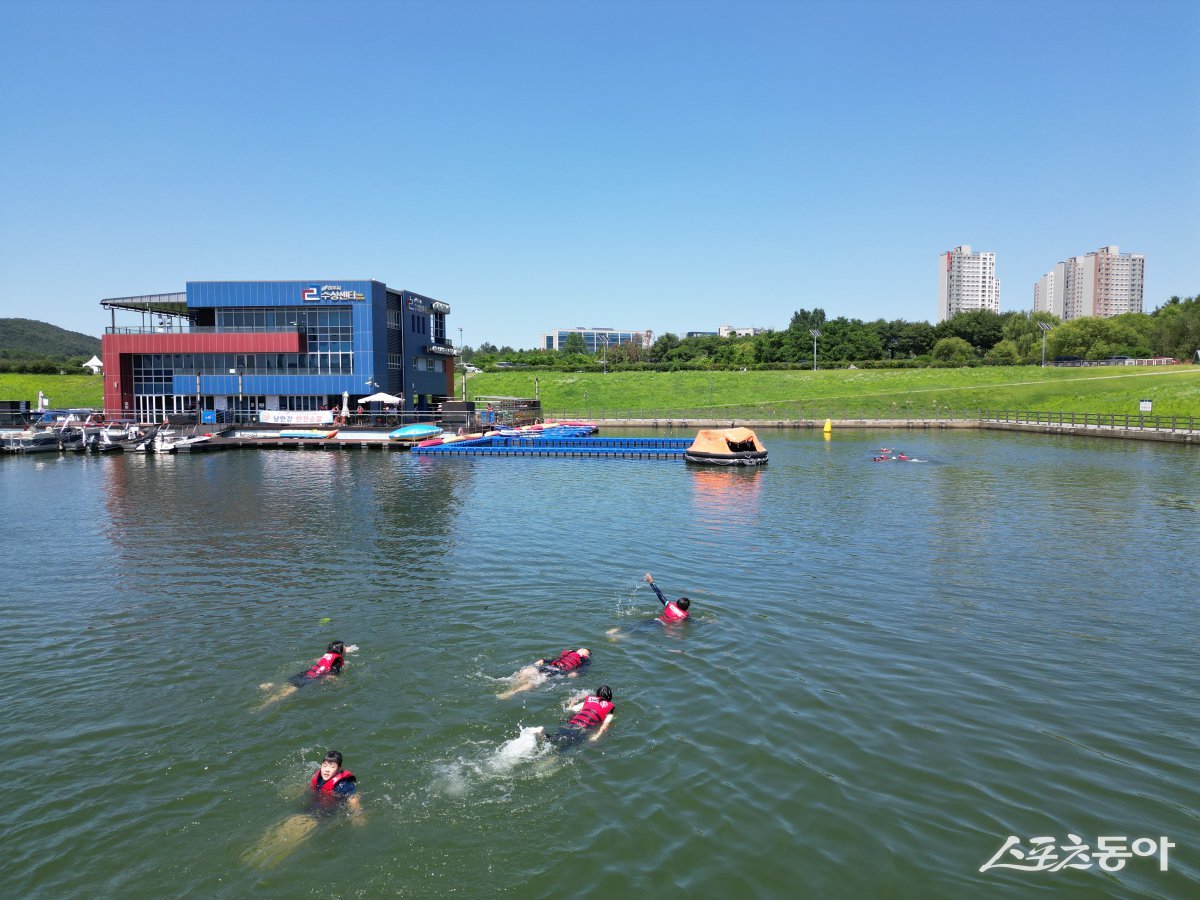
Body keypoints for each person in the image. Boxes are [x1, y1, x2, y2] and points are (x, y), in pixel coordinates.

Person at [257, 641, 346, 709]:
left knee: (288, 685)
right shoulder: (337, 661)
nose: (346, 649)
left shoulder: (328, 655)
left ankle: (271, 685)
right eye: (344, 647)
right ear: (340, 651)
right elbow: (331, 675)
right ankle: (264, 705)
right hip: (310, 677)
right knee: (287, 693)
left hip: (306, 673)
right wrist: (341, 684)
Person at [537, 685, 615, 748]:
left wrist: (572, 703)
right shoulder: (609, 710)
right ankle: (554, 753)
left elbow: (570, 710)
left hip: (572, 722)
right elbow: (605, 725)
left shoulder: (588, 701)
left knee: (557, 737)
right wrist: (596, 736)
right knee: (569, 745)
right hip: (583, 727)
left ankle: (542, 735)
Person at [497, 648, 591, 699]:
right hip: (553, 669)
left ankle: (513, 689)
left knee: (531, 676)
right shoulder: (578, 657)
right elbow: (558, 660)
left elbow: (556, 659)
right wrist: (543, 660)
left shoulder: (578, 656)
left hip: (552, 668)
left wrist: (543, 660)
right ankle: (513, 688)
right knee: (530, 676)